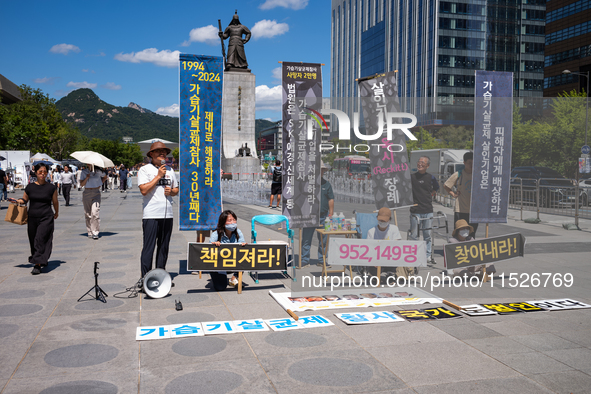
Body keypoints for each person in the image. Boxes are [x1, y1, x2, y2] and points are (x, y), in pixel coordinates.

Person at [138, 141, 179, 279]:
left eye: (165, 152)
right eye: (159, 151)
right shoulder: (144, 170)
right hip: (151, 214)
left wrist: (171, 191)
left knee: (163, 247)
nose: (162, 154)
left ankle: (160, 276)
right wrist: (158, 176)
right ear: (151, 154)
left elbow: (176, 189)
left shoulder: (171, 170)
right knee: (149, 247)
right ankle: (145, 278)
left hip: (167, 214)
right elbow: (143, 190)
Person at [15, 163, 58, 275]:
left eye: (45, 172)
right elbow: (24, 200)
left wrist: (56, 212)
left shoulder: (51, 187)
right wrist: (17, 201)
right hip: (32, 217)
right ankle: (42, 259)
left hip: (46, 217)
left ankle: (37, 265)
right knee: (33, 240)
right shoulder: (30, 187)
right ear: (36, 172)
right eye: (40, 172)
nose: (43, 174)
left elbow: (55, 201)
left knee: (40, 238)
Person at [301, 161, 334, 266]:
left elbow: (331, 199)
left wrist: (331, 213)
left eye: (321, 170)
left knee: (323, 241)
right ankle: (305, 260)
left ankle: (322, 260)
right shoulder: (306, 183)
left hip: (323, 216)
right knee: (306, 240)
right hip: (309, 216)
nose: (320, 172)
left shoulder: (326, 184)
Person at [366, 207, 412, 279]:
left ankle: (391, 273)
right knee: (371, 268)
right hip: (377, 259)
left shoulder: (394, 229)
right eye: (380, 220)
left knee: (397, 260)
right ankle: (376, 275)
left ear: (389, 220)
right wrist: (374, 260)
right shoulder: (371, 231)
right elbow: (369, 249)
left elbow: (398, 246)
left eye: (384, 221)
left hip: (390, 258)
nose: (382, 222)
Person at [409, 156, 440, 263]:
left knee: (427, 235)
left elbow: (436, 187)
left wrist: (431, 194)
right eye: (419, 161)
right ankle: (413, 254)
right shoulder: (411, 177)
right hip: (415, 210)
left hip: (427, 210)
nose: (420, 164)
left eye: (423, 162)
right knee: (414, 235)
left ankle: (427, 255)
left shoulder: (430, 177)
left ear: (427, 166)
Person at [209, 210, 247, 291]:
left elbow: (242, 242)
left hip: (232, 262)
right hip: (219, 265)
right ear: (223, 223)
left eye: (234, 220)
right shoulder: (216, 234)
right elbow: (209, 249)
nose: (233, 222)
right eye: (229, 221)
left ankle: (234, 278)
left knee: (245, 257)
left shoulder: (238, 232)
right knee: (220, 287)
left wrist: (243, 245)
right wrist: (215, 245)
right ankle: (216, 276)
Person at [444, 151, 478, 238]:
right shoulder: (458, 174)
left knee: (472, 232)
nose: (471, 165)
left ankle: (470, 249)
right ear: (464, 163)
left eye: (473, 163)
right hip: (461, 209)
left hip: (474, 210)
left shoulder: (478, 175)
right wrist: (453, 194)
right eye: (469, 163)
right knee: (460, 232)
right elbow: (446, 185)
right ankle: (458, 249)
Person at [79, 165, 108, 239]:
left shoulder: (98, 172)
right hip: (87, 192)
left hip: (96, 193)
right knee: (88, 213)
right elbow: (81, 184)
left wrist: (100, 184)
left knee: (95, 213)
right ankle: (90, 231)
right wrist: (87, 177)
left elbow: (105, 177)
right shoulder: (84, 172)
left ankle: (95, 232)